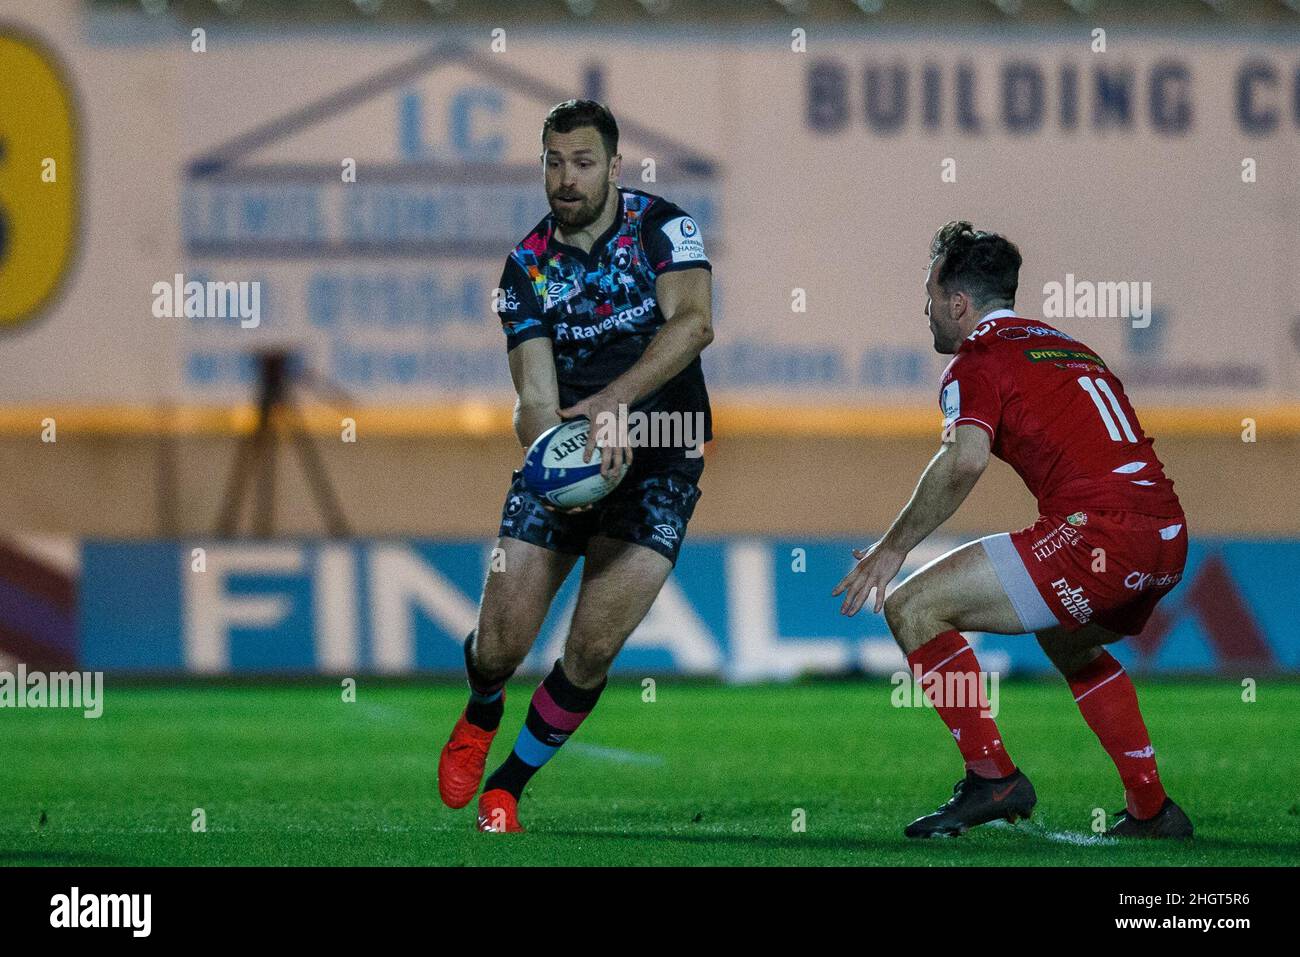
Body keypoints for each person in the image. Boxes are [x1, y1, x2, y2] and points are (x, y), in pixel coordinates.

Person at [833, 221, 1192, 839]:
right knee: (1068, 642)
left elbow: (964, 459)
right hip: (1166, 539)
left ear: (958, 303)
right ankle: (1152, 808)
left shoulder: (979, 361)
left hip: (1097, 534)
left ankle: (992, 777)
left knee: (914, 606)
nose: (926, 312)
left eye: (929, 296)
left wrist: (893, 551)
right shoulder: (1068, 346)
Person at [437, 100, 715, 833]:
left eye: (583, 162)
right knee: (498, 645)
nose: (567, 178)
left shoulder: (663, 228)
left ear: (615, 166)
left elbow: (694, 322)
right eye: (554, 162)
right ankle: (481, 706)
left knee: (591, 648)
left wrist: (617, 402)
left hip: (661, 462)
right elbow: (532, 398)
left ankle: (510, 783)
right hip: (565, 461)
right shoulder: (524, 266)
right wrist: (563, 454)